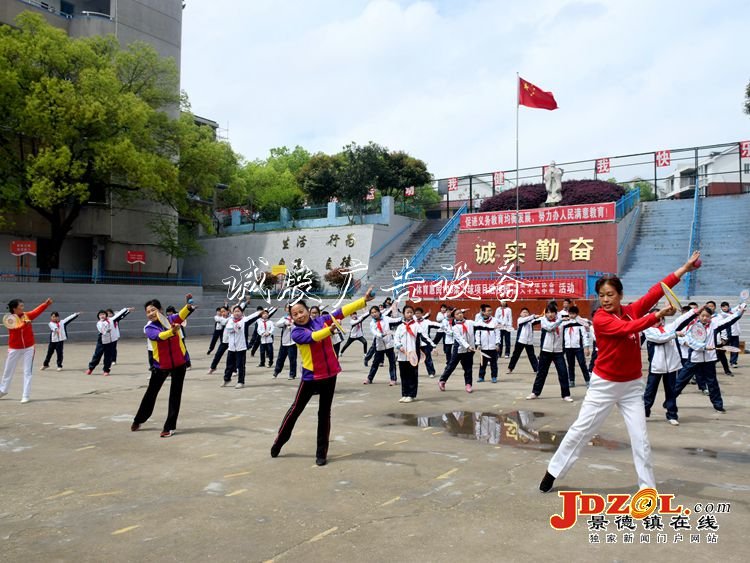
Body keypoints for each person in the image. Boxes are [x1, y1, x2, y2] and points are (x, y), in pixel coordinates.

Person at [539, 251, 701, 493]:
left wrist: (684, 269)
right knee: (581, 430)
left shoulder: (632, 309)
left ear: (620, 295)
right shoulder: (601, 318)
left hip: (632, 386)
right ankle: (553, 471)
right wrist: (656, 316)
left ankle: (647, 490)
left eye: (610, 295)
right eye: (601, 295)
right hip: (604, 385)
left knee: (641, 440)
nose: (605, 299)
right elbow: (628, 328)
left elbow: (657, 290)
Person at [271, 288, 375, 466]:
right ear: (292, 317)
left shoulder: (323, 320)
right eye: (295, 314)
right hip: (311, 377)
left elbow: (341, 312)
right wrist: (329, 331)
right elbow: (313, 337)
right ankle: (279, 442)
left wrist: (363, 300)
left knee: (324, 414)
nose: (299, 316)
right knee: (295, 410)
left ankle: (321, 453)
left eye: (301, 311)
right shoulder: (296, 332)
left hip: (330, 374)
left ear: (307, 310)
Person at [131, 296, 195, 437]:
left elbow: (181, 315)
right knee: (150, 394)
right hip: (161, 366)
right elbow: (159, 336)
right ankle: (139, 419)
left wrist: (188, 306)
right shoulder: (149, 328)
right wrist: (172, 332)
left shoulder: (172, 320)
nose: (151, 313)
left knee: (175, 395)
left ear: (160, 310)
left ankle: (169, 427)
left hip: (179, 364)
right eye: (148, 312)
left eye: (153, 310)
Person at [673, 303, 745, 413]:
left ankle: (718, 405)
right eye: (702, 315)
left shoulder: (714, 325)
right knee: (680, 381)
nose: (704, 318)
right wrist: (699, 346)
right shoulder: (692, 325)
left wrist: (739, 312)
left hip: (709, 359)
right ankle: (669, 401)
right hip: (694, 359)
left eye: (707, 316)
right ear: (698, 316)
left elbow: (729, 320)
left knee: (712, 383)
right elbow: (683, 339)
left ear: (711, 317)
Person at [643, 306, 697, 425]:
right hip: (656, 367)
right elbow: (659, 339)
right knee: (650, 391)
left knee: (671, 392)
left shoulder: (668, 328)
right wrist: (675, 334)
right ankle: (644, 412)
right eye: (656, 319)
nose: (658, 321)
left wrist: (694, 311)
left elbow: (680, 320)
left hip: (672, 366)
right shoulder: (648, 330)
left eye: (660, 318)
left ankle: (672, 415)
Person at [1, 297, 52, 403]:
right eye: (21, 306)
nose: (23, 308)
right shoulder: (9, 319)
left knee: (27, 371)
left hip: (29, 347)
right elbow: (16, 328)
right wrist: (25, 324)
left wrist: (45, 304)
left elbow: (36, 311)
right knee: (8, 370)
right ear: (14, 309)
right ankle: (3, 390)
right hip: (14, 348)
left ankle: (25, 395)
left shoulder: (26, 315)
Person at [526, 304, 573, 401]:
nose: (550, 314)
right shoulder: (544, 320)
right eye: (548, 312)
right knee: (541, 373)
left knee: (563, 372)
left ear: (556, 313)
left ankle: (566, 395)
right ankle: (535, 392)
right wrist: (560, 321)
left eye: (552, 312)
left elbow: (575, 321)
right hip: (546, 351)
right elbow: (549, 328)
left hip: (558, 351)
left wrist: (576, 318)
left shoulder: (561, 320)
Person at [393, 305, 434, 403]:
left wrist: (433, 346)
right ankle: (404, 394)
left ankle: (411, 395)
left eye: (411, 312)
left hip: (413, 355)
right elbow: (396, 338)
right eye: (408, 312)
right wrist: (399, 346)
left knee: (412, 375)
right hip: (402, 355)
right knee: (403, 375)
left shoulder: (416, 326)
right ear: (403, 313)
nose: (410, 314)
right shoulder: (400, 327)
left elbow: (424, 337)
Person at [222, 305, 262, 388]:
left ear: (242, 313)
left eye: (238, 311)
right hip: (231, 347)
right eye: (235, 311)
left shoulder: (244, 321)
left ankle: (241, 382)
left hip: (241, 347)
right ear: (232, 313)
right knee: (229, 365)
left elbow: (253, 316)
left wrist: (260, 312)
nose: (237, 313)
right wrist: (235, 327)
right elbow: (229, 328)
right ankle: (227, 379)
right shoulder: (230, 320)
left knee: (240, 365)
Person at [365, 304, 401, 385]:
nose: (374, 314)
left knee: (392, 363)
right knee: (375, 363)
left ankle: (393, 379)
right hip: (379, 345)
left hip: (389, 344)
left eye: (375, 312)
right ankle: (369, 378)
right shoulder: (372, 323)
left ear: (379, 312)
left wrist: (402, 318)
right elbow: (374, 332)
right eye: (372, 312)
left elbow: (395, 320)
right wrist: (380, 335)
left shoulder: (386, 318)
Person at [562, 306, 590, 388]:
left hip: (578, 347)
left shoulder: (580, 323)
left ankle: (587, 380)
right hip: (568, 347)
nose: (571, 315)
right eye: (570, 314)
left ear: (576, 314)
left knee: (582, 364)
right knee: (570, 365)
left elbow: (585, 336)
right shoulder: (565, 323)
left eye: (573, 314)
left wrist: (586, 347)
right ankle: (571, 380)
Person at [507, 308, 540, 374]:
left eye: (526, 312)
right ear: (520, 314)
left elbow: (538, 320)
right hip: (521, 341)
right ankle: (510, 368)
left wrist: (542, 316)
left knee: (532, 356)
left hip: (529, 341)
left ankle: (536, 369)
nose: (525, 314)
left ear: (528, 314)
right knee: (516, 355)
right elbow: (526, 320)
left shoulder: (531, 321)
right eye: (523, 312)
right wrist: (533, 316)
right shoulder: (520, 320)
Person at [475, 304, 499, 383]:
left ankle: (494, 377)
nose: (490, 312)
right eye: (488, 311)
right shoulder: (479, 322)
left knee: (493, 363)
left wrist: (497, 343)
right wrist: (478, 344)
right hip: (483, 346)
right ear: (483, 312)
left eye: (490, 311)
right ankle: (481, 377)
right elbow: (477, 334)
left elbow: (497, 332)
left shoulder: (495, 320)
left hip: (492, 346)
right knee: (483, 363)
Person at [273, 305, 298, 380]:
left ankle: (292, 374)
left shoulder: (296, 318)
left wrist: (293, 324)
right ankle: (276, 372)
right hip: (284, 341)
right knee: (280, 358)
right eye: (287, 308)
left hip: (293, 342)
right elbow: (277, 324)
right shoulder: (284, 318)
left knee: (292, 359)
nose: (289, 309)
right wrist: (285, 323)